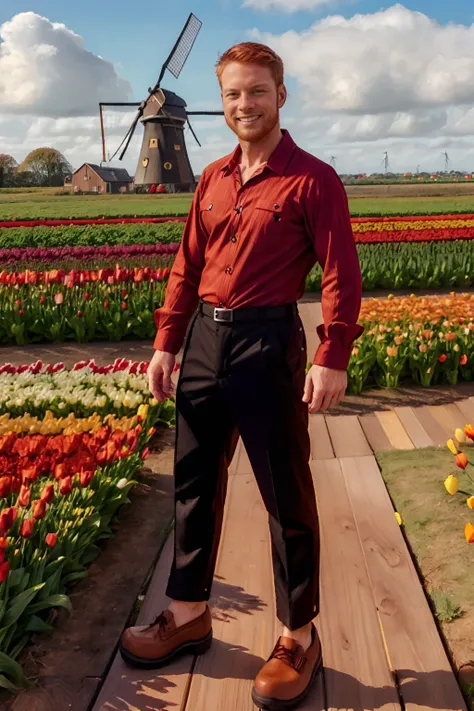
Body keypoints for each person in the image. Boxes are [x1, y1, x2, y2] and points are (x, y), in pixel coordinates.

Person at [120, 41, 364, 709]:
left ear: (280, 96)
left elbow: (342, 271)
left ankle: (297, 634)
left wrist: (332, 352)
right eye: (232, 94)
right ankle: (188, 610)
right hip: (203, 336)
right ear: (220, 102)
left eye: (256, 91)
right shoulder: (212, 178)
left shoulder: (313, 179)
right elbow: (186, 263)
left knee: (286, 494)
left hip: (265, 341)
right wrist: (168, 342)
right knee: (193, 484)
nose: (243, 104)